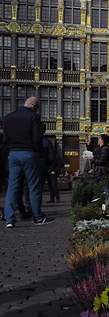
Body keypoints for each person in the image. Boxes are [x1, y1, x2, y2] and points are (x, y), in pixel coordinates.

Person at [3, 96, 53, 227]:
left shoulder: (9, 117)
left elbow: (6, 139)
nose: (37, 111)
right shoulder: (33, 117)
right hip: (28, 153)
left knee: (13, 186)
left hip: (13, 153)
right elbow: (37, 138)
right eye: (37, 108)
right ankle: (37, 216)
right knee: (33, 186)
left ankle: (9, 218)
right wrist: (37, 153)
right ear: (32, 106)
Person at [44, 137, 62, 203]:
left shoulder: (56, 156)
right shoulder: (47, 156)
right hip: (48, 172)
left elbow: (60, 165)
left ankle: (57, 198)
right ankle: (51, 197)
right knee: (50, 186)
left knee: (54, 186)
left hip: (53, 172)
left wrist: (54, 171)